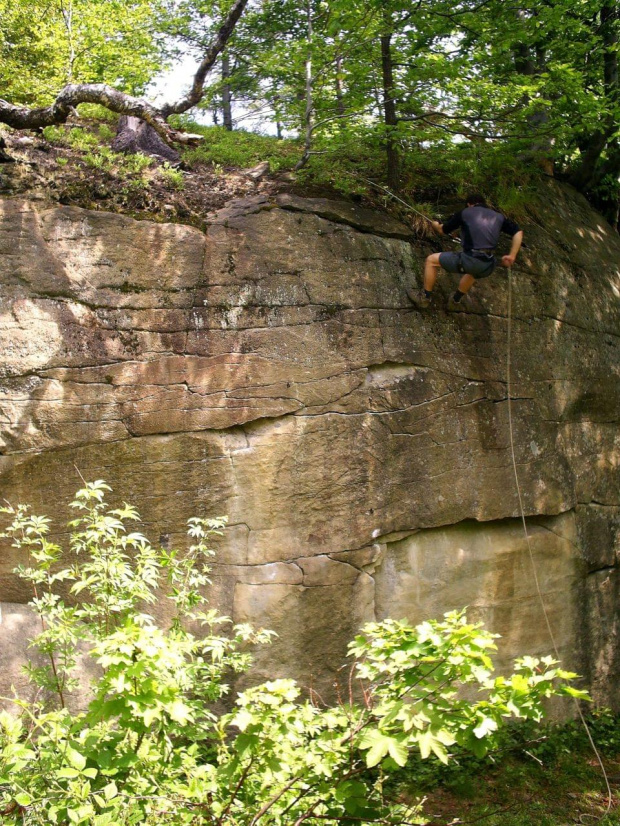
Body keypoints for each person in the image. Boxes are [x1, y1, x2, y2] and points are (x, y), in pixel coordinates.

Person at [408, 194, 523, 311]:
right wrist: (512, 255)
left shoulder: (465, 213)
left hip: (470, 260)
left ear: (469, 204)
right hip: (487, 265)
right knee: (473, 272)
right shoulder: (498, 217)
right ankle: (455, 300)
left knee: (431, 261)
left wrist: (435, 225)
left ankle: (424, 298)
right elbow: (518, 232)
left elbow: (442, 230)